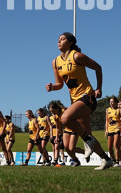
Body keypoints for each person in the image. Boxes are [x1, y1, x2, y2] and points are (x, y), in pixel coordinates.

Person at [46, 32, 113, 170]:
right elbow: (60, 84)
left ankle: (87, 140)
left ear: (70, 42)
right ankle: (106, 160)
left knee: (64, 118)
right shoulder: (55, 62)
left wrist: (99, 88)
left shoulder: (77, 56)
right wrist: (52, 87)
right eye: (58, 39)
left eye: (62, 39)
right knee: (88, 137)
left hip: (87, 97)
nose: (59, 41)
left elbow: (98, 67)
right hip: (75, 101)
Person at [105, 97, 121, 167]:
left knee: (116, 145)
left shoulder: (119, 110)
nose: (111, 103)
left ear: (115, 102)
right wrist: (106, 130)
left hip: (117, 129)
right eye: (110, 102)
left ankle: (117, 162)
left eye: (112, 102)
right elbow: (107, 120)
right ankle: (113, 160)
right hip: (110, 129)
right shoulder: (107, 110)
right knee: (109, 147)